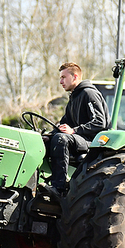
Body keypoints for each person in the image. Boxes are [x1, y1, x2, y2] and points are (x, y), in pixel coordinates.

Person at [44, 62, 109, 195]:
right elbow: (63, 124)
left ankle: (59, 188)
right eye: (60, 78)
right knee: (47, 140)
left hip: (93, 141)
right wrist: (47, 136)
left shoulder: (89, 93)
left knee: (61, 139)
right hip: (78, 138)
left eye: (63, 77)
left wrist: (74, 130)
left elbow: (99, 122)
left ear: (74, 77)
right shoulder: (73, 97)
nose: (61, 81)